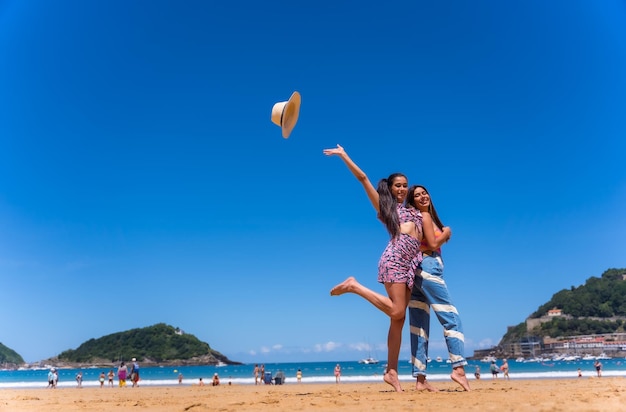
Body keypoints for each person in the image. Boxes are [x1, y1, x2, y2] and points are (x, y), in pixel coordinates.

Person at [324, 144, 423, 392]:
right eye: (397, 185)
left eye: (405, 185)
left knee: (397, 320)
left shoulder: (413, 211)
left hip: (410, 267)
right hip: (395, 260)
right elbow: (363, 178)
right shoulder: (386, 207)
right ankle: (354, 286)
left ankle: (392, 372)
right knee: (398, 311)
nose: (402, 189)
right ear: (390, 188)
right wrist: (344, 155)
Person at [406, 184, 470, 392]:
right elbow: (433, 244)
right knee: (451, 318)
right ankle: (458, 368)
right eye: (417, 195)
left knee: (419, 325)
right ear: (413, 201)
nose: (423, 196)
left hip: (416, 271)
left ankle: (420, 379)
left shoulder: (420, 218)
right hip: (428, 268)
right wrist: (446, 233)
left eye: (424, 193)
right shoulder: (424, 217)